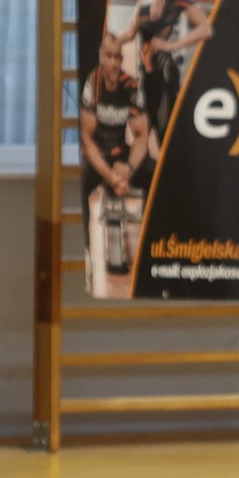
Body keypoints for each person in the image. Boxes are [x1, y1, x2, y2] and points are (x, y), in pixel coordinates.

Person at [120, 0, 214, 150]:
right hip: (147, 72)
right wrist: (110, 41)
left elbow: (205, 29)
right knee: (147, 129)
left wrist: (172, 45)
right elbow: (131, 32)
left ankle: (175, 170)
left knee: (165, 132)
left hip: (164, 71)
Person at [79, 31, 150, 296]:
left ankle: (153, 247)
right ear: (101, 56)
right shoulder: (93, 83)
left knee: (155, 171)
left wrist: (129, 168)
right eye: (108, 56)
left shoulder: (131, 85)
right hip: (98, 157)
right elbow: (87, 140)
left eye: (118, 57)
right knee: (81, 180)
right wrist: (111, 176)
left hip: (121, 155)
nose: (113, 63)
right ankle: (87, 250)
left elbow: (142, 135)